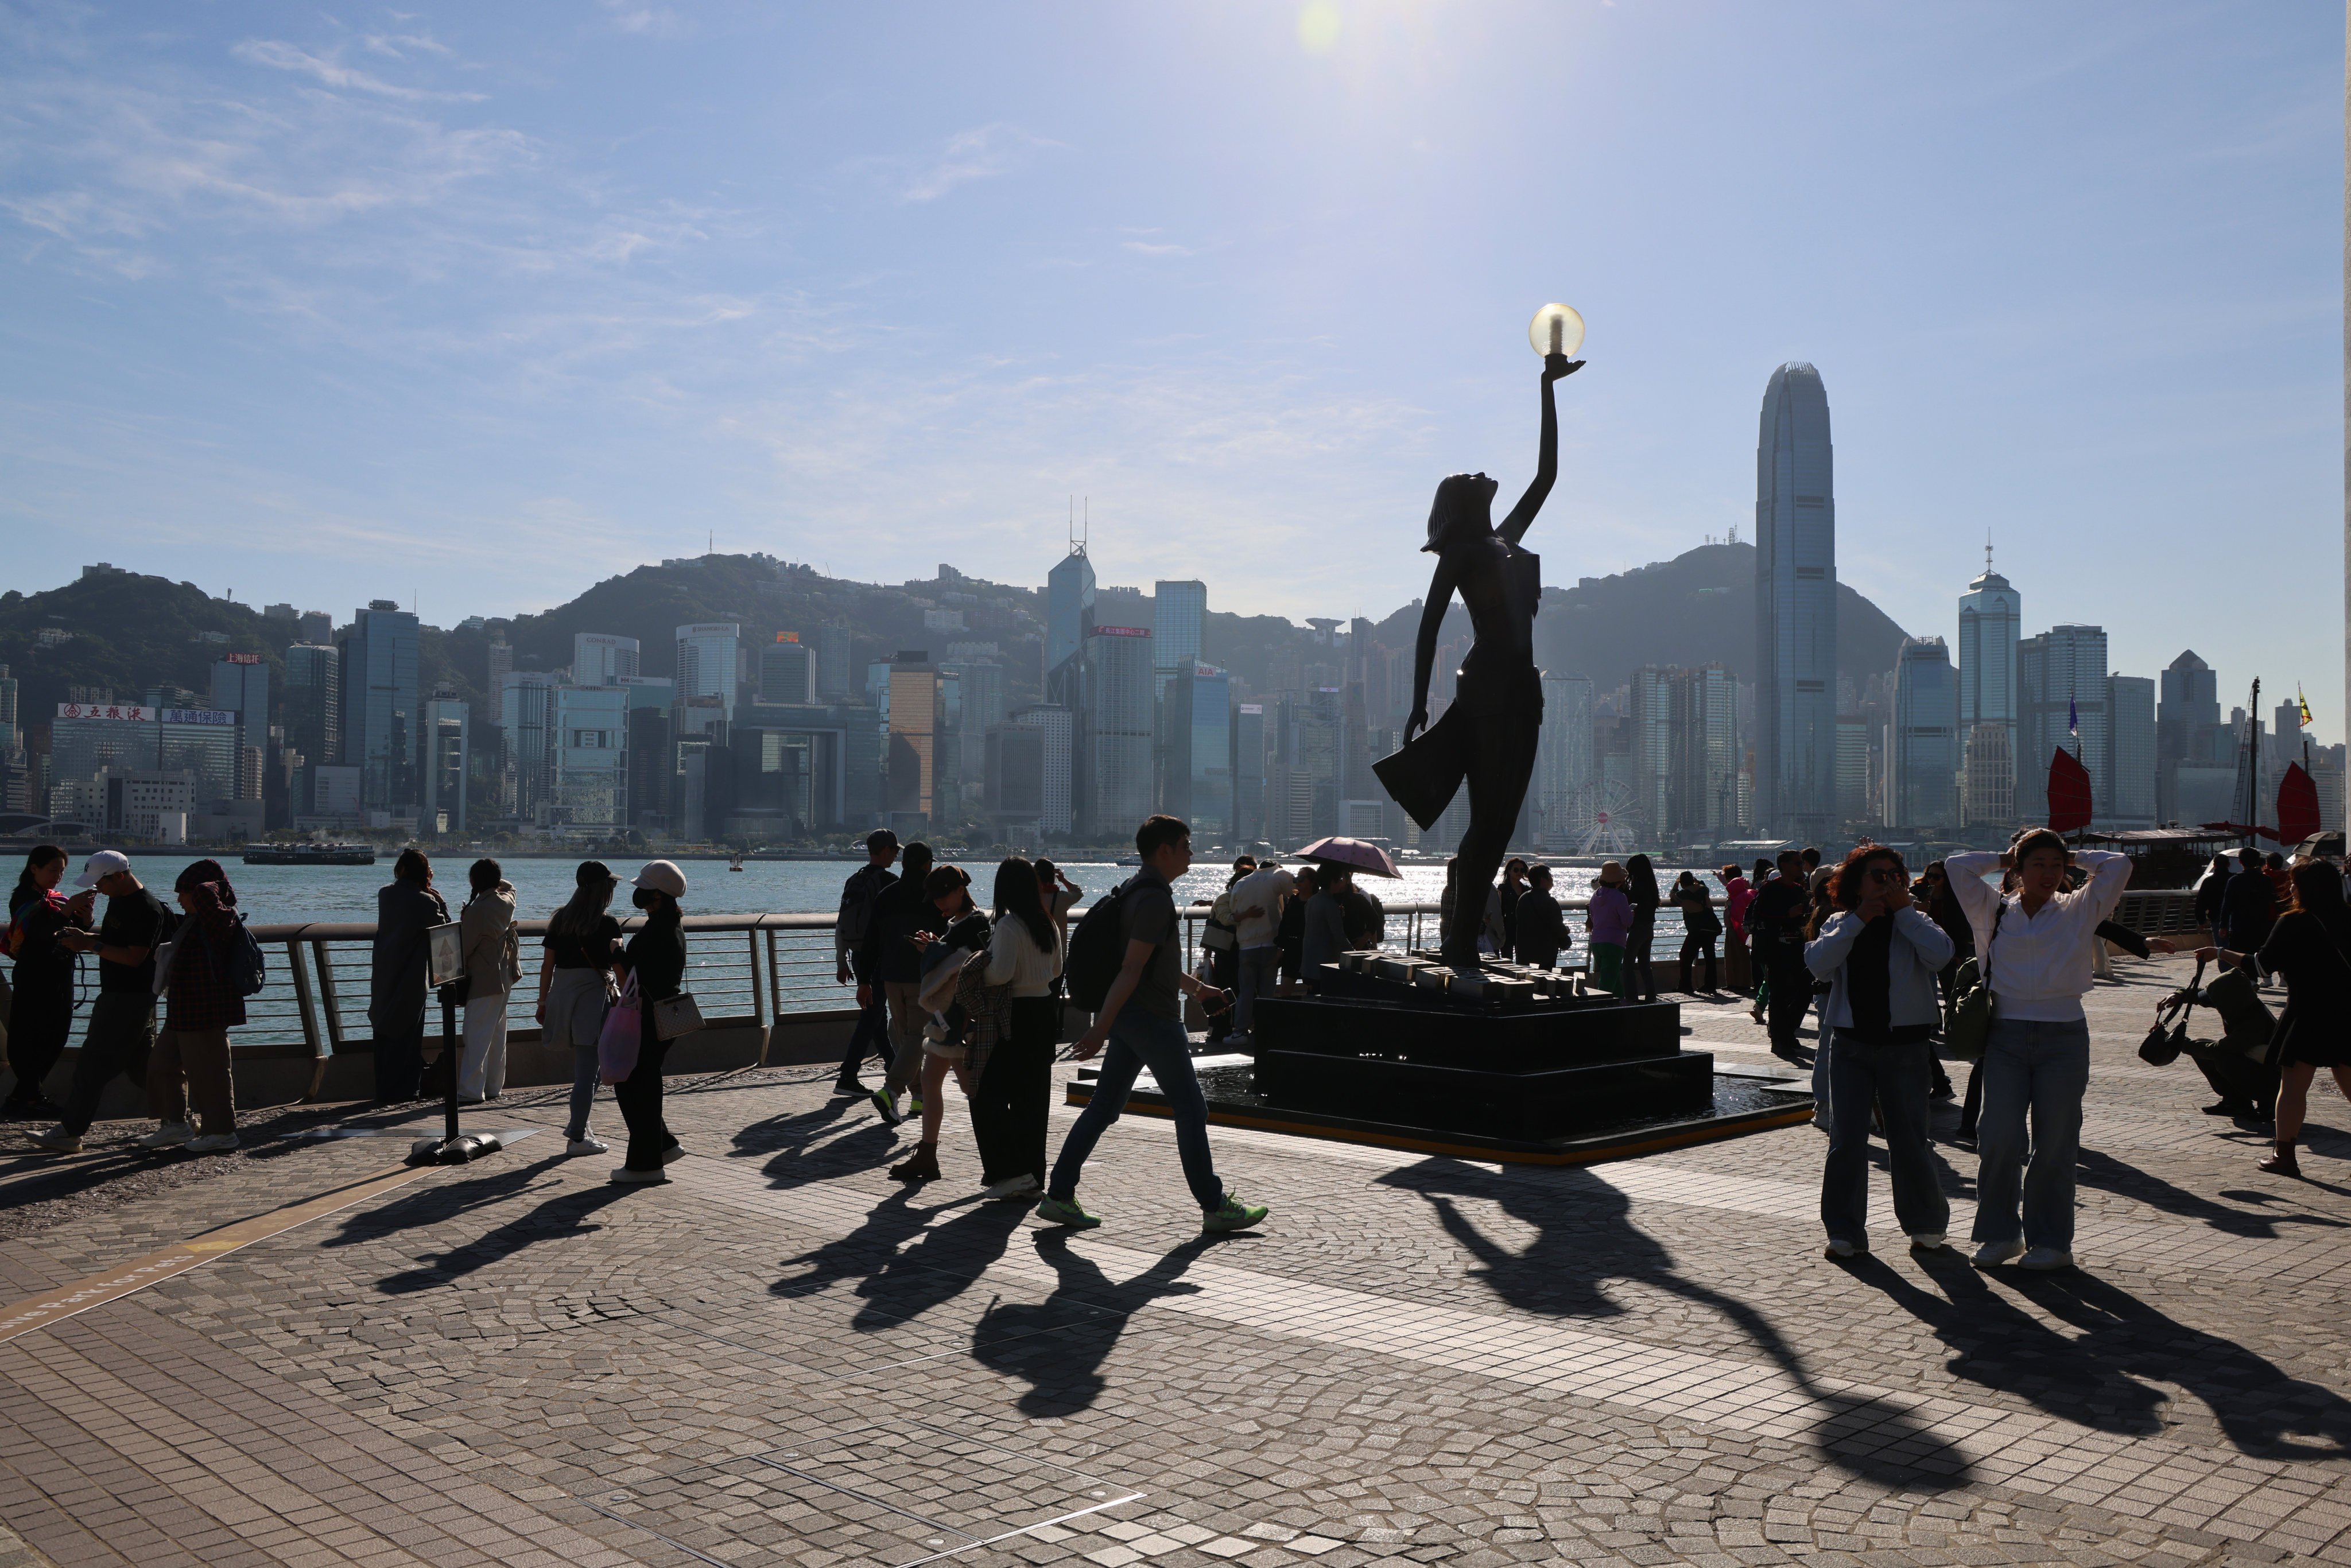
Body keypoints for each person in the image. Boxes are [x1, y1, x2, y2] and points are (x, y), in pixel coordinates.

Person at [1392, 349, 1581, 979]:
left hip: (1523, 689)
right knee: (1487, 825)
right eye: (1467, 475)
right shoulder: (1464, 553)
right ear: (1456, 503)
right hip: (1488, 687)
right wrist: (1419, 700)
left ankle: (1461, 935)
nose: (1480, 471)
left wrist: (1547, 390)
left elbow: (1548, 474)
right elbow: (1427, 627)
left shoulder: (1506, 539)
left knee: (1499, 826)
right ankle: (1460, 939)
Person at [1038, 815, 1264, 1233]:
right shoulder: (1155, 899)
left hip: (1132, 1016)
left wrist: (1198, 990)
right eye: (1186, 846)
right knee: (1191, 1109)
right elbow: (1131, 967)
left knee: (1104, 1108)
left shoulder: (1136, 890)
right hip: (1151, 1019)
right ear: (1165, 851)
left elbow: (1151, 964)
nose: (1191, 853)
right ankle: (1215, 1206)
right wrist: (1099, 1028)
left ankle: (1059, 1195)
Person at [1947, 829, 2131, 1270]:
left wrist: (2074, 855)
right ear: (2018, 869)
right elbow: (1958, 866)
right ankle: (2000, 1235)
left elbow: (2119, 866)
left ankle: (2052, 1243)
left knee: (2056, 1142)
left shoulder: (2078, 908)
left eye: (2057, 865)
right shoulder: (1993, 909)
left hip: (2064, 1036)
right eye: (2038, 865)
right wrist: (2003, 853)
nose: (2050, 874)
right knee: (1998, 1137)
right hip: (2006, 1034)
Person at [1806, 845, 1954, 1258]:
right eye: (1878, 875)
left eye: (1895, 875)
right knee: (1846, 1140)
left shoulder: (1915, 921)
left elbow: (1942, 955)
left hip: (1905, 1046)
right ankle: (1844, 1231)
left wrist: (1904, 911)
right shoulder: (1840, 922)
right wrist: (1857, 922)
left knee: (1909, 1139)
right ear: (1856, 883)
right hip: (1851, 1044)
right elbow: (1818, 964)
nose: (1888, 882)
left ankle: (1925, 1225)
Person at [2198, 860, 2351, 1176]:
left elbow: (2260, 967)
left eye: (2295, 883)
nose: (2290, 888)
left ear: (2307, 888)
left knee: (2293, 1087)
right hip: (2347, 1012)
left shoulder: (2294, 921)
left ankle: (2285, 1156)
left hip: (2307, 1013)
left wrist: (2220, 952)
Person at [32, 852, 168, 1155]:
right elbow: (117, 941)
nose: (98, 889)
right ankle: (179, 1120)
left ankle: (70, 1133)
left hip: (127, 998)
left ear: (119, 876)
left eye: (100, 883)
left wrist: (89, 944)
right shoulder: (119, 900)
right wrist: (87, 933)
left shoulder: (146, 908)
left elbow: (135, 957)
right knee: (143, 1067)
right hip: (125, 996)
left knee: (91, 1067)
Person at [964, 856, 1063, 1198]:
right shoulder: (1047, 922)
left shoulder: (1008, 926)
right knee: (1033, 1099)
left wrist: (976, 964)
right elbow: (1055, 970)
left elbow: (1001, 974)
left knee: (985, 1093)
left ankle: (1011, 1171)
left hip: (1013, 1014)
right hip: (1044, 1012)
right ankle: (1032, 1175)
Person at [889, 865, 991, 1183]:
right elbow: (956, 958)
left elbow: (964, 963)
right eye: (935, 897)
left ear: (961, 890)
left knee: (972, 1090)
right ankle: (927, 1153)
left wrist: (931, 950)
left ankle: (998, 1156)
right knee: (934, 1081)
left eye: (944, 894)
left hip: (959, 1021)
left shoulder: (973, 923)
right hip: (949, 1019)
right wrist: (935, 946)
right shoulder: (963, 922)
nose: (939, 903)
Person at [148, 860, 247, 1153]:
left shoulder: (222, 918)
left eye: (183, 892)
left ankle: (222, 1132)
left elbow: (206, 891)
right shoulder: (194, 922)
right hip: (183, 1009)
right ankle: (176, 1125)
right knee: (162, 1064)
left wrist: (211, 883)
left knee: (210, 1073)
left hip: (205, 1009)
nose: (179, 899)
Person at [609, 860, 688, 1185]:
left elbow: (631, 977)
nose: (638, 892)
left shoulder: (655, 931)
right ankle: (664, 1144)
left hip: (645, 1016)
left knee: (633, 1085)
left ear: (657, 894)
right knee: (644, 1080)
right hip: (664, 1015)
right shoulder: (672, 925)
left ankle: (645, 1165)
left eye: (643, 888)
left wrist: (616, 951)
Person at [537, 860, 622, 1157]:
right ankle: (576, 1136)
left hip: (562, 996)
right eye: (611, 885)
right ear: (603, 889)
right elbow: (618, 964)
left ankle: (580, 1125)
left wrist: (542, 1002)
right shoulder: (608, 924)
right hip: (592, 1000)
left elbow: (548, 965)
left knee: (589, 1070)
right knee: (588, 1072)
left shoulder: (560, 919)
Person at [859, 840, 945, 1125]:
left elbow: (871, 941)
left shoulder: (887, 895)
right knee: (915, 1038)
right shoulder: (934, 897)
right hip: (922, 977)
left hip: (890, 977)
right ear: (927, 864)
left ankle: (919, 1094)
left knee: (904, 1035)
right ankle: (891, 1090)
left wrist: (865, 980)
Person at [368, 849, 448, 1105]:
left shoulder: (385, 895)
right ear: (425, 875)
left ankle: (383, 1090)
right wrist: (436, 897)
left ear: (401, 869)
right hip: (412, 980)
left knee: (384, 1029)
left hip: (384, 974)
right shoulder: (426, 902)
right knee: (408, 1036)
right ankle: (406, 1091)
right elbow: (445, 931)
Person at [5, 845, 75, 1119]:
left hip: (59, 975)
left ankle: (23, 1096)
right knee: (32, 1035)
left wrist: (83, 912)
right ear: (34, 868)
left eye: (61, 871)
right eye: (52, 870)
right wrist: (68, 910)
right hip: (34, 976)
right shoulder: (24, 899)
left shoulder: (54, 899)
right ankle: (30, 1097)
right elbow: (38, 934)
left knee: (57, 1034)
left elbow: (70, 925)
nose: (57, 876)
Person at [833, 829, 900, 1096]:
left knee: (876, 1018)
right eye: (895, 850)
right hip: (880, 958)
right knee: (870, 1018)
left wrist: (841, 961)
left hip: (858, 956)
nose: (896, 855)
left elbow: (841, 925)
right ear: (885, 850)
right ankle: (847, 1077)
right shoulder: (889, 882)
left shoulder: (855, 879)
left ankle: (895, 1068)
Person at [456, 859, 518, 1105]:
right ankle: (493, 1086)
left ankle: (471, 1090)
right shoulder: (506, 901)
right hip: (504, 975)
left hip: (484, 979)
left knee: (477, 1034)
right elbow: (511, 886)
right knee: (496, 1034)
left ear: (474, 881)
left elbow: (463, 947)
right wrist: (495, 880)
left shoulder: (478, 910)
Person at [1225, 856, 1297, 1045]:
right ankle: (1265, 1029)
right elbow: (1295, 891)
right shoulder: (1278, 875)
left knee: (1246, 992)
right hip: (1270, 943)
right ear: (1276, 866)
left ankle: (1240, 1032)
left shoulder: (1241, 882)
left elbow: (1233, 911)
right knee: (1267, 992)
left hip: (1247, 945)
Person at [1751, 850, 1814, 1060]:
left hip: (1798, 948)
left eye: (1802, 864)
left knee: (1804, 991)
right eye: (1797, 864)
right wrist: (1786, 915)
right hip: (1776, 949)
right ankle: (1780, 1038)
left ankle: (1786, 1031)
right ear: (1784, 866)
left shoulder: (1799, 890)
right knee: (1779, 994)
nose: (1801, 867)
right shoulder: (1770, 888)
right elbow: (1759, 916)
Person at [2220, 846, 2277, 984]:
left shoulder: (2234, 881)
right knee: (2258, 950)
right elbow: (2274, 901)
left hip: (2240, 924)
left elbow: (2227, 905)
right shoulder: (2266, 880)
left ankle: (2250, 980)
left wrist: (2223, 925)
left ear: (2240, 862)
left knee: (2241, 952)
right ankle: (2264, 976)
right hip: (2262, 923)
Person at [1300, 863, 1355, 982]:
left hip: (1309, 963)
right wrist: (1355, 955)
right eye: (1340, 879)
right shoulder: (1330, 905)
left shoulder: (1312, 901)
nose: (1342, 883)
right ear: (1332, 882)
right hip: (1325, 964)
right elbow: (1339, 936)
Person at [1671, 870, 1721, 993]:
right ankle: (1710, 986)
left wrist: (1675, 885)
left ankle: (1686, 986)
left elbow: (1673, 897)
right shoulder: (1704, 889)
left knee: (1685, 956)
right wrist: (1697, 882)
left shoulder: (1683, 894)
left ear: (1682, 883)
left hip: (1697, 929)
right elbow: (1703, 886)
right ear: (1693, 880)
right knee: (1710, 957)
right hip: (1711, 927)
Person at [1585, 862, 1631, 995]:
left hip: (1596, 942)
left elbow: (1594, 918)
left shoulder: (1595, 895)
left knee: (1611, 977)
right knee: (1607, 982)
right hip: (1614, 942)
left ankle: (1620, 1004)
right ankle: (1601, 1009)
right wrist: (1631, 913)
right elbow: (1627, 921)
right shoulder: (1620, 897)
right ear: (1619, 879)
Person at [1511, 864, 1568, 969]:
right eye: (1550, 877)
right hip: (1545, 953)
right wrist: (1566, 931)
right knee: (1545, 981)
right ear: (1543, 880)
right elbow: (1558, 926)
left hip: (1525, 952)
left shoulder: (1523, 898)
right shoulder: (1550, 901)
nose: (1552, 880)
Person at [1622, 854, 1662, 1002]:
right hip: (1648, 928)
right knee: (1645, 965)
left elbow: (1630, 902)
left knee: (1627, 965)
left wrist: (1624, 889)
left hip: (1638, 928)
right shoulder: (1651, 885)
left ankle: (1631, 997)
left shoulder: (1638, 886)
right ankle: (1651, 996)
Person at [1276, 865, 1317, 991]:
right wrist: (1279, 947)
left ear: (1312, 882)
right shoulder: (1293, 900)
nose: (1297, 882)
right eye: (1296, 879)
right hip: (1292, 949)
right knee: (1285, 990)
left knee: (1312, 991)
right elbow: (1285, 924)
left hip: (1310, 950)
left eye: (1302, 878)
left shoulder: (1317, 902)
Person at [1747, 857, 1776, 1019]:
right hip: (1776, 944)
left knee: (1769, 976)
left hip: (1759, 942)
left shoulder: (1759, 897)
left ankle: (1760, 1005)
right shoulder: (1785, 899)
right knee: (1774, 976)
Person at [1721, 863, 1755, 995]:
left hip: (1735, 927)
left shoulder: (1735, 891)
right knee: (1741, 954)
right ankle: (1740, 982)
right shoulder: (1745, 888)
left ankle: (1737, 983)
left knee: (1735, 955)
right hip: (1741, 927)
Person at [2192, 853, 2232, 953]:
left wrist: (2201, 920)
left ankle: (2225, 969)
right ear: (2229, 865)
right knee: (2236, 949)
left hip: (2216, 918)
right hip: (2235, 919)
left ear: (2214, 865)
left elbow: (2201, 902)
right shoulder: (2234, 879)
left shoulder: (2209, 881)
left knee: (2222, 950)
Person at [1497, 859, 1530, 957]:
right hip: (1506, 929)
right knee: (1506, 959)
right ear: (1509, 871)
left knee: (1524, 959)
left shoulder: (1527, 889)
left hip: (1522, 929)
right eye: (1516, 870)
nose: (1519, 873)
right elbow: (1499, 909)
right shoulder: (1503, 888)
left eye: (1522, 870)